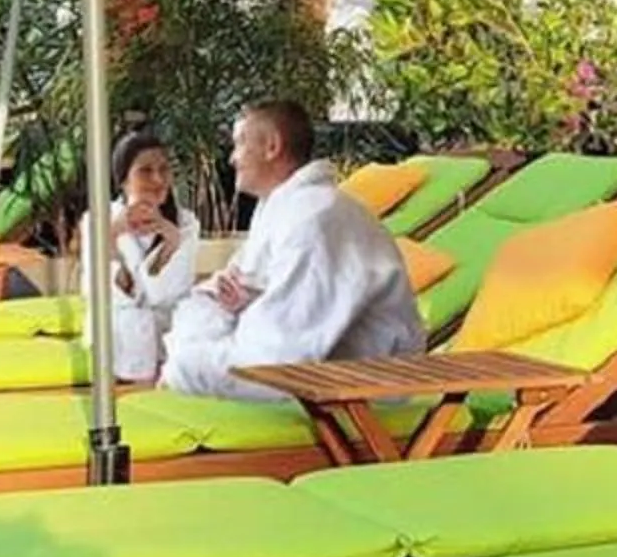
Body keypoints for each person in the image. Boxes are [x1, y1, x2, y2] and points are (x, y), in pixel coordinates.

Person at [157, 99, 423, 403]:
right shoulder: (280, 208)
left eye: (240, 143)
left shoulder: (316, 219)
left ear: (272, 146)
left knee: (180, 360)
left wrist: (185, 364)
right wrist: (244, 304)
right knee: (182, 334)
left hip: (363, 394)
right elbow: (223, 293)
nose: (232, 158)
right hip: (318, 376)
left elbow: (278, 361)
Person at [102, 128, 200, 384]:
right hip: (117, 343)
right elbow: (109, 294)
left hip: (172, 339)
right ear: (123, 180)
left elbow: (169, 294)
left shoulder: (186, 223)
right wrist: (111, 236)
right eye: (145, 171)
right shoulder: (100, 221)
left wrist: (171, 241)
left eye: (164, 169)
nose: (158, 179)